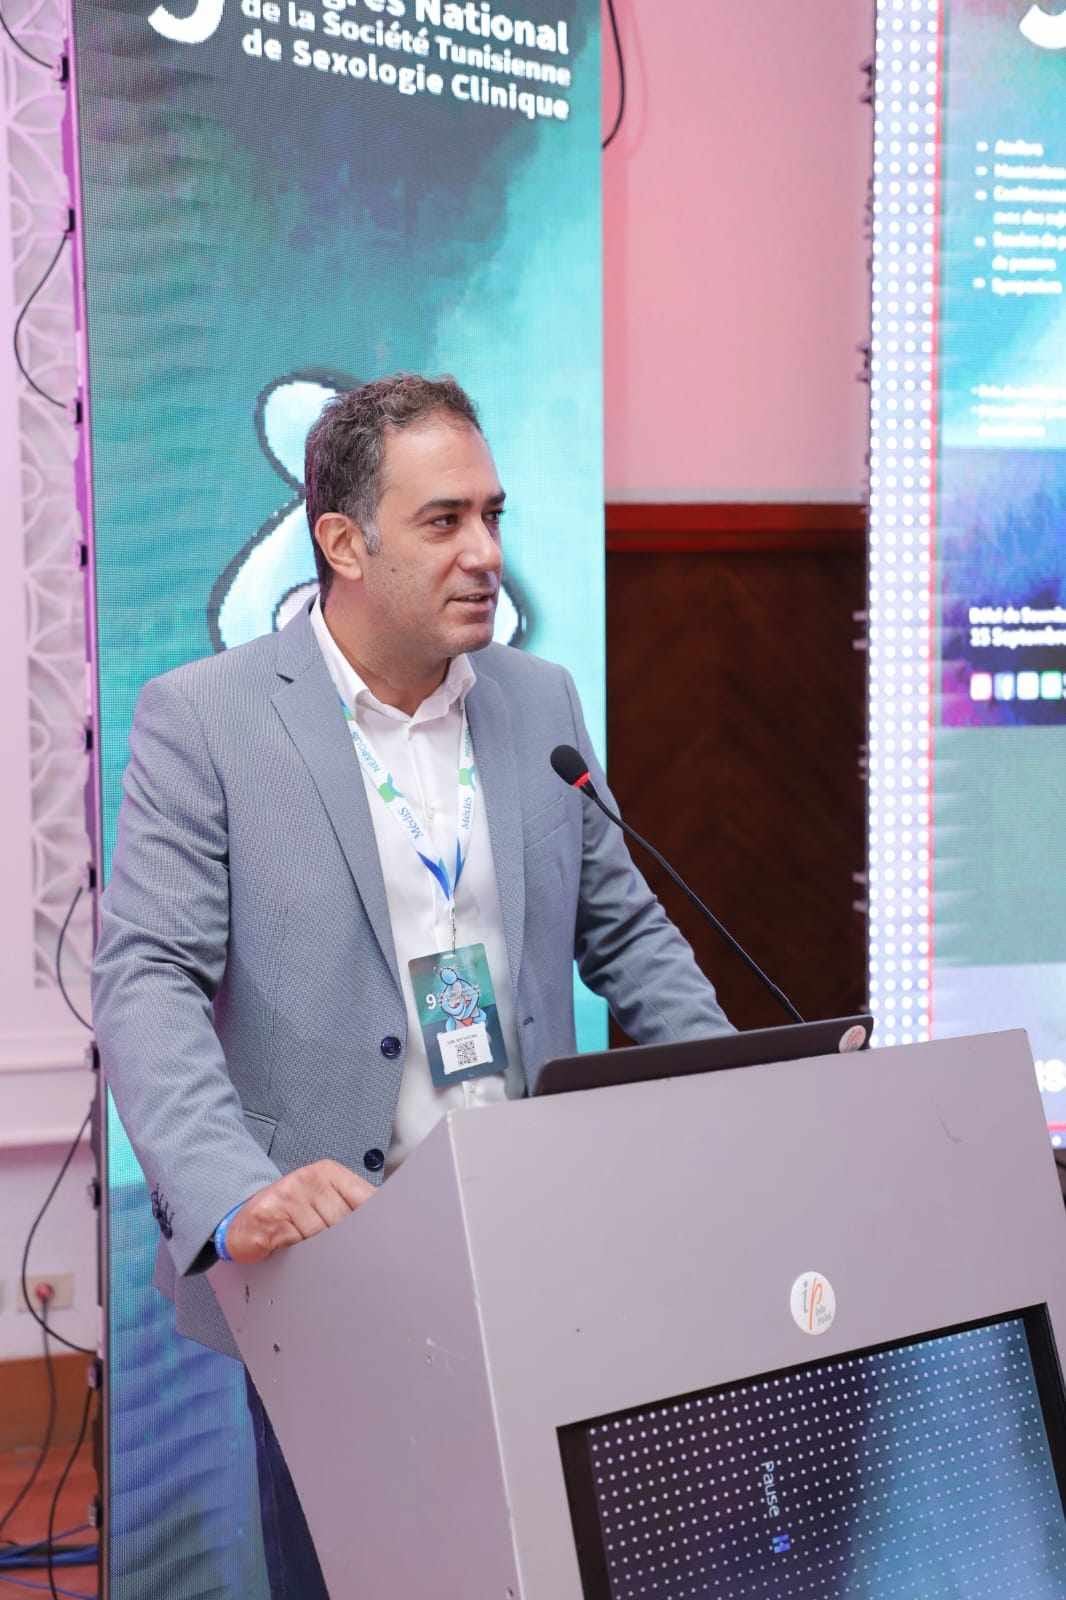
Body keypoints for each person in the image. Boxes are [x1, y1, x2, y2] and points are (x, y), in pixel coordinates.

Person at [92, 373, 733, 1598]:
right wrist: (234, 1191)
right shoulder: (207, 719)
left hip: (541, 1240)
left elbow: (628, 936)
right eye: (444, 521)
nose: (485, 553)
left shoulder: (540, 701)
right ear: (343, 543)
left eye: (493, 515)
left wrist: (733, 1097)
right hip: (333, 1260)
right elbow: (148, 977)